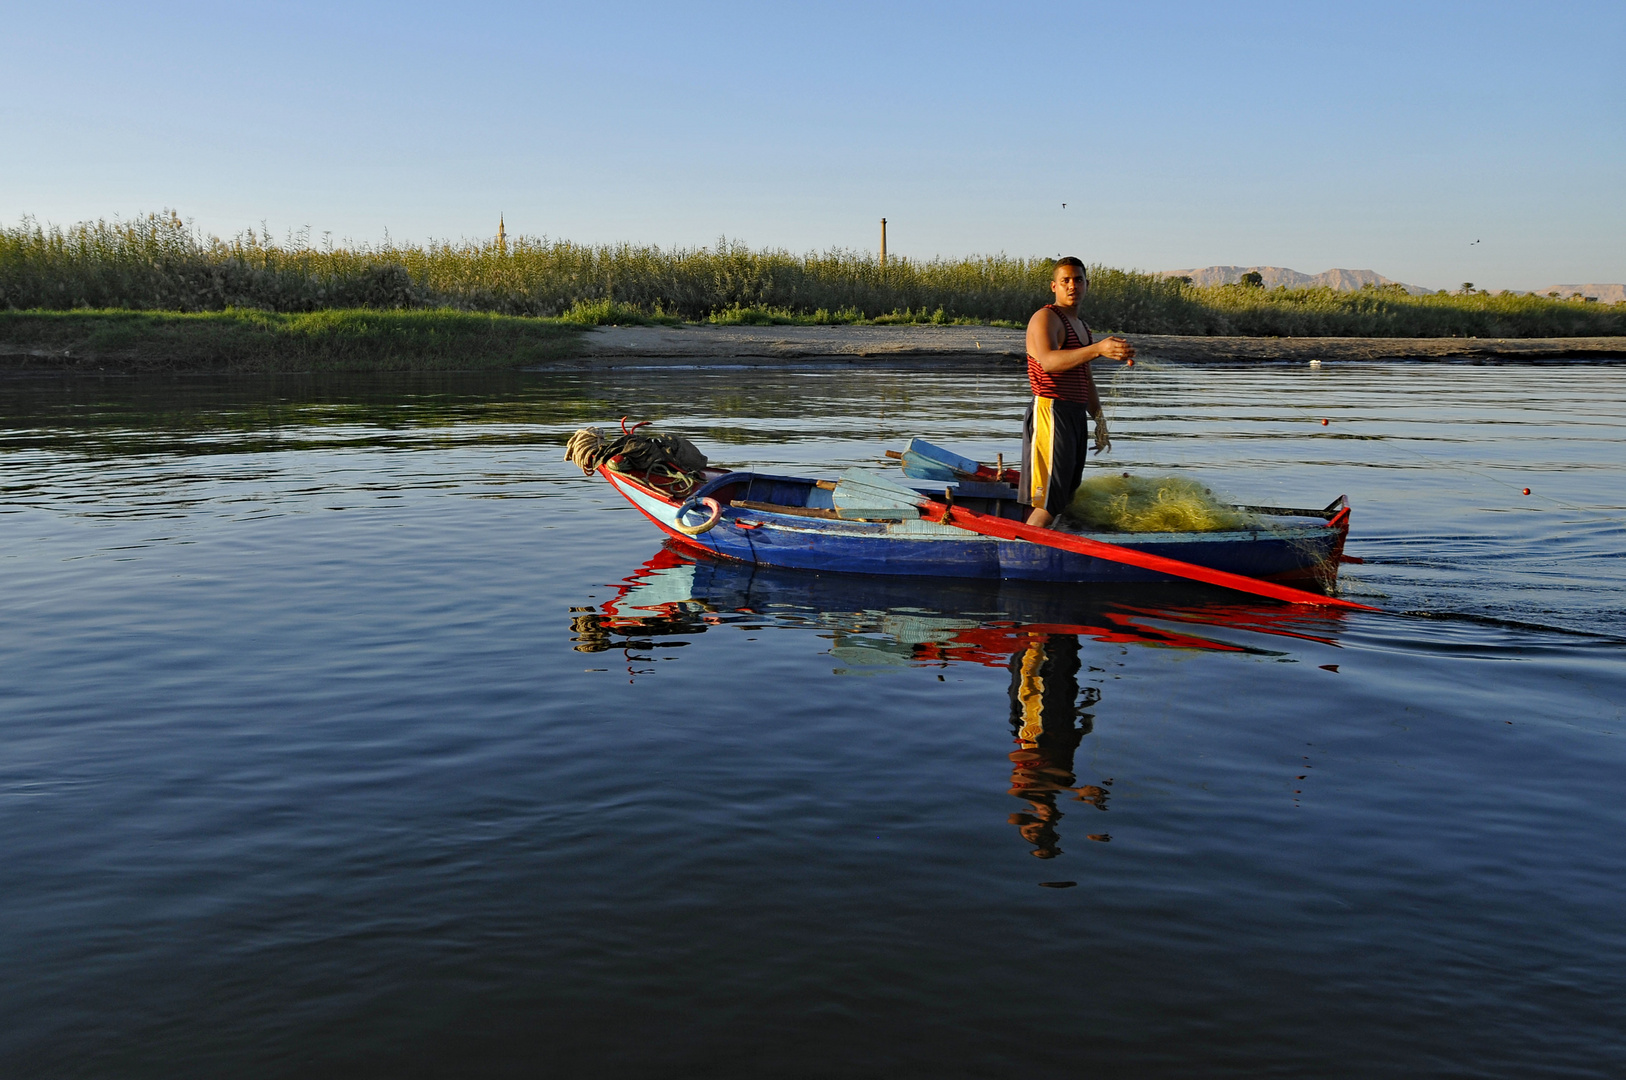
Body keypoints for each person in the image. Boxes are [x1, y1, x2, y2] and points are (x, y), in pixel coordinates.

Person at [1020, 258, 1135, 528]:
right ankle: (1022, 552)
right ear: (1054, 286)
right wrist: (1097, 349)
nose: (1073, 286)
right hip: (1051, 412)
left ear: (1087, 285)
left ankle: (1049, 550)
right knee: (1048, 503)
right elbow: (1048, 361)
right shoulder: (1046, 317)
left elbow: (1085, 377)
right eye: (1066, 281)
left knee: (1066, 496)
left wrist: (1099, 420)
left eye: (1079, 280)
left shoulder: (1082, 326)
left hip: (1073, 415)